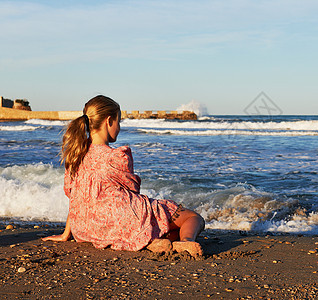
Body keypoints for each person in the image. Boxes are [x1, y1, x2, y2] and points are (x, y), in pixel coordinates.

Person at [43, 95, 204, 257]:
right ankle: (186, 241)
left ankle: (150, 242)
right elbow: (132, 194)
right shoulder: (117, 156)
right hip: (119, 220)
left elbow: (74, 196)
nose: (119, 128)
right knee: (192, 218)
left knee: (160, 227)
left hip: (86, 229)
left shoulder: (75, 156)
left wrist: (66, 234)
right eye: (118, 122)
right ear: (108, 121)